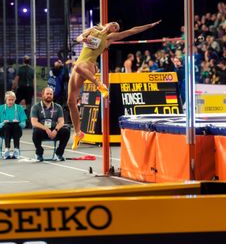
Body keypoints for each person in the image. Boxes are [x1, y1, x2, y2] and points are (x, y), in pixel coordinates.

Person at [67, 20, 161, 149]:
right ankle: (78, 133)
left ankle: (99, 85)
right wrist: (83, 38)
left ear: (115, 31)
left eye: (116, 27)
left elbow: (132, 30)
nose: (114, 26)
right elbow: (78, 38)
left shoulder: (109, 38)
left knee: (77, 67)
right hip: (81, 62)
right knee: (71, 101)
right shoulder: (93, 30)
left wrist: (149, 25)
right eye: (114, 23)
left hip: (89, 65)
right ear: (108, 24)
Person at [31, 87, 70, 162]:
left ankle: (58, 154)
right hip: (42, 130)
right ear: (43, 95)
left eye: (51, 94)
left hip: (54, 130)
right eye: (47, 94)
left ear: (53, 95)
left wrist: (56, 130)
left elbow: (61, 121)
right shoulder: (36, 107)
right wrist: (46, 128)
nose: (49, 95)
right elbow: (34, 122)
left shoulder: (58, 107)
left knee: (66, 130)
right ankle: (39, 153)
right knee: (35, 131)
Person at [0, 91, 27, 159]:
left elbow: (24, 124)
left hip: (16, 131)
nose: (11, 101)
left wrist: (19, 123)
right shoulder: (0, 108)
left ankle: (16, 149)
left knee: (15, 125)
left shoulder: (19, 108)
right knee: (7, 126)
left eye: (12, 100)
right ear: (6, 99)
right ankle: (7, 149)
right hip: (4, 131)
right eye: (9, 100)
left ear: (15, 99)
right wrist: (3, 123)